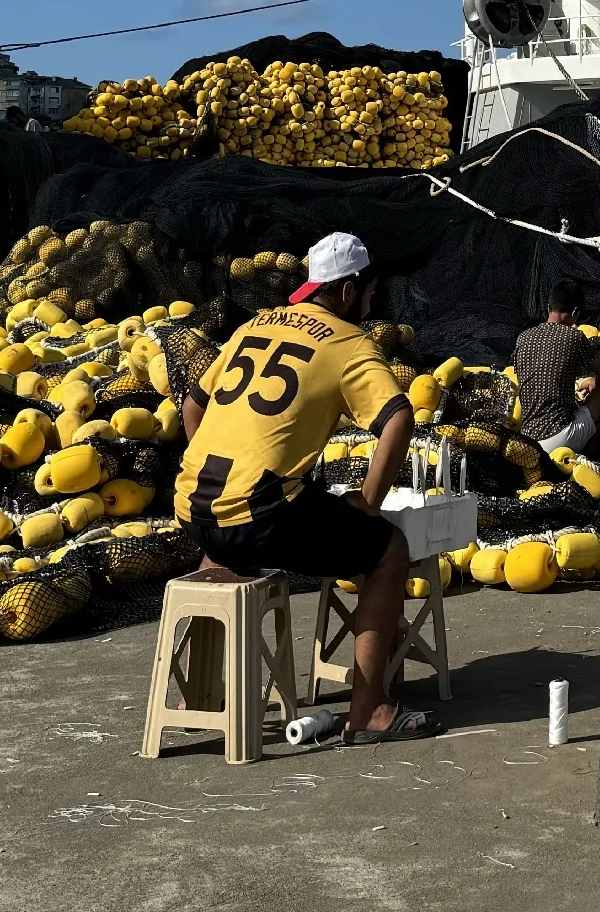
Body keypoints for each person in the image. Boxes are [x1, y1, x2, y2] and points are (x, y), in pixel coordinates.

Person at [174, 232, 438, 744]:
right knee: (388, 549)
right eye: (369, 293)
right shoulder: (347, 341)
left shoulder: (254, 325)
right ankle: (370, 711)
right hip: (263, 514)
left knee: (225, 546)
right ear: (346, 292)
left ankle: (198, 696)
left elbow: (192, 404)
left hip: (194, 505)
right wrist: (367, 502)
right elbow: (398, 420)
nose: (369, 303)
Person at [511, 280, 600, 454]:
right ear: (576, 312)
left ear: (548, 308)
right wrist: (595, 381)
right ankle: (592, 452)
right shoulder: (574, 337)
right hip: (559, 438)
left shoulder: (523, 338)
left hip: (528, 438)